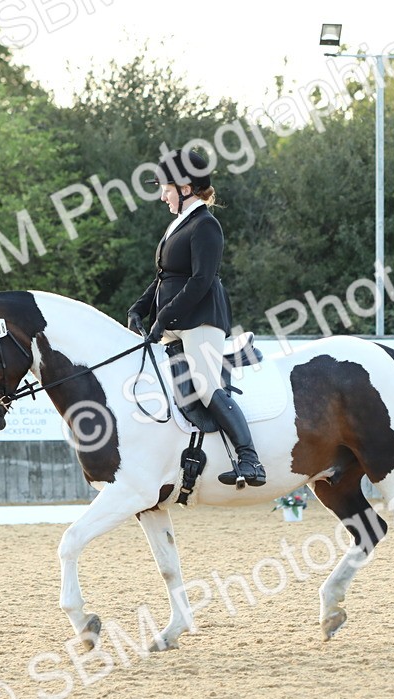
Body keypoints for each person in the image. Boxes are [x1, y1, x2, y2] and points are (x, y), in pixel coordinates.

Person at [126, 148, 266, 488]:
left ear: (186, 186)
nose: (162, 195)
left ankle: (250, 459)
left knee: (204, 385)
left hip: (201, 318)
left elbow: (201, 280)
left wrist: (165, 317)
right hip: (176, 321)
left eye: (166, 188)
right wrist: (140, 307)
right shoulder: (180, 224)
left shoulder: (206, 225)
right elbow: (165, 276)